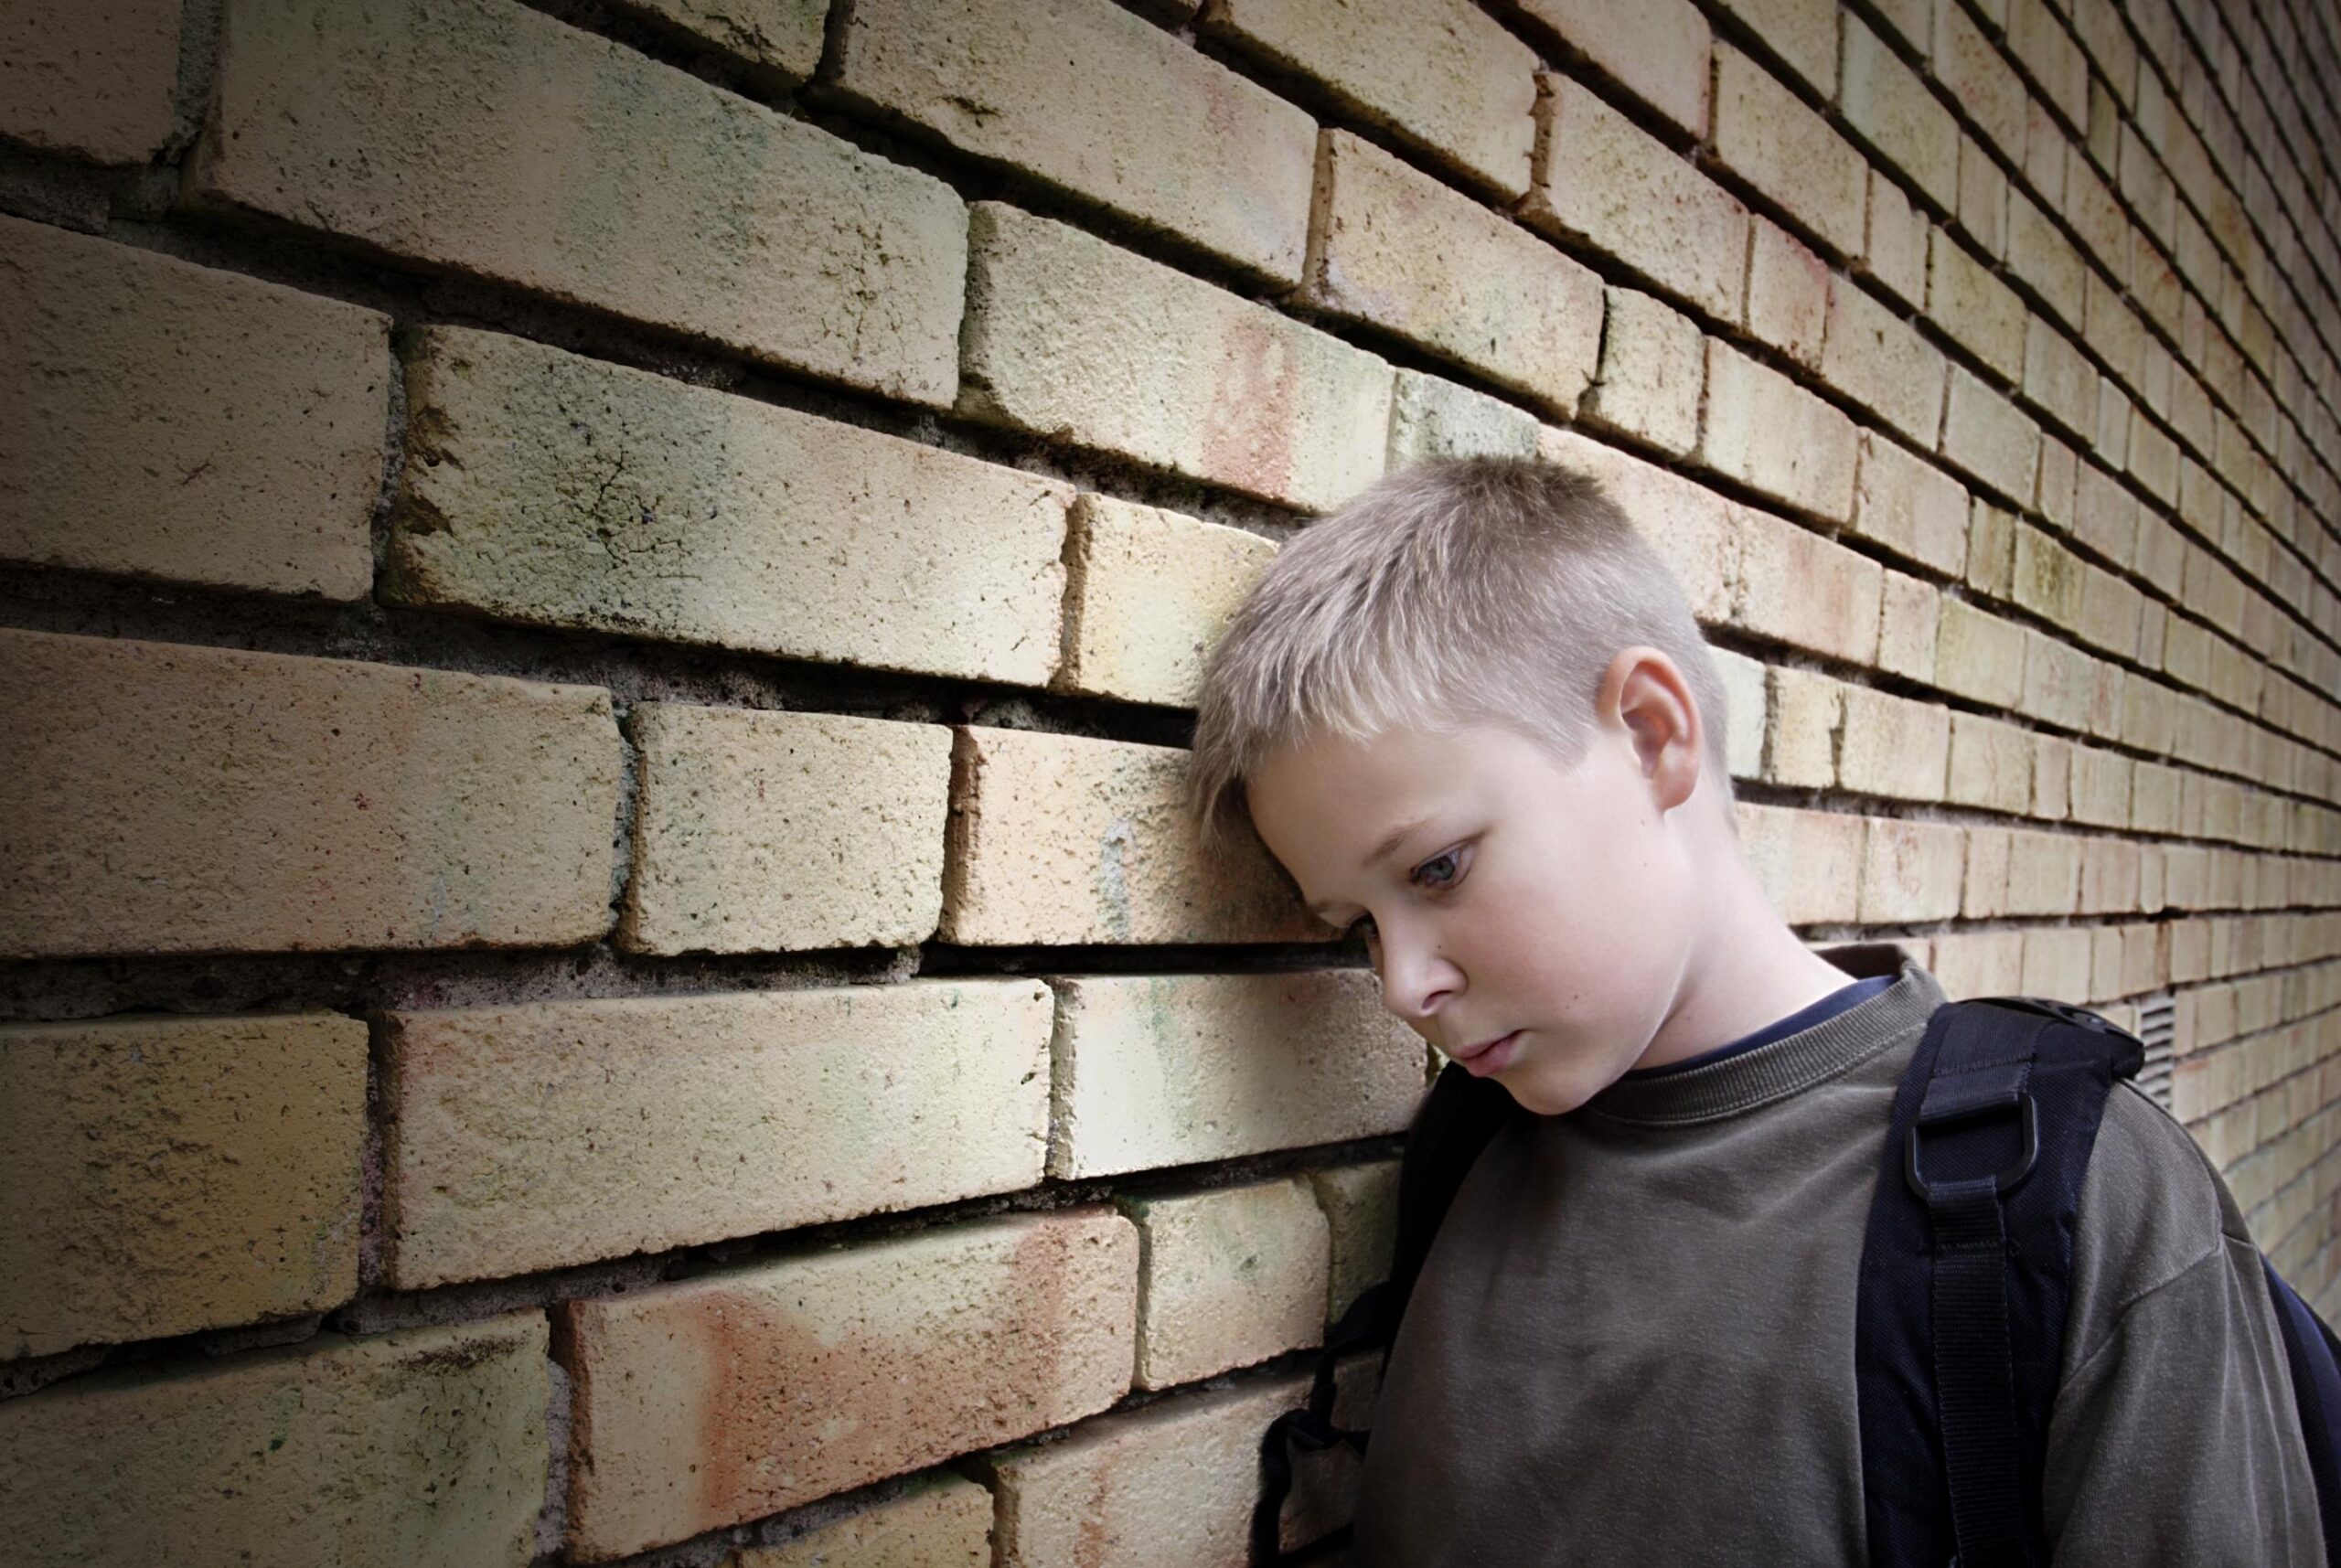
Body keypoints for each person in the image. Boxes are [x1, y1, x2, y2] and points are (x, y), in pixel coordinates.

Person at [1185, 455, 2322, 1564]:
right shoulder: (1464, 1154)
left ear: (1650, 734)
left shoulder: (2071, 1195)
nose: (1400, 986)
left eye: (1435, 869)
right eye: (1358, 927)